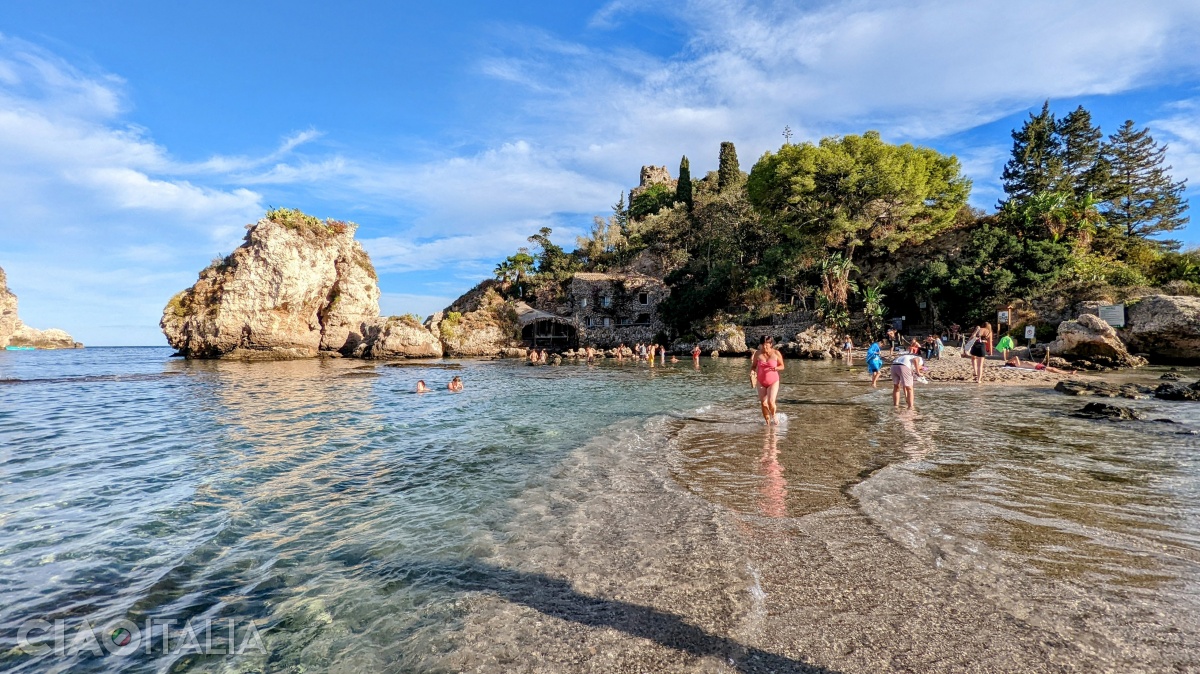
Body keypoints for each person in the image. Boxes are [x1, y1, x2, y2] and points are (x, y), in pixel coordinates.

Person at [750, 336, 785, 425]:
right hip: (761, 381)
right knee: (764, 403)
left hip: (773, 381)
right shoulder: (757, 354)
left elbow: (782, 366)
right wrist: (752, 372)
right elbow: (753, 366)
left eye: (766, 345)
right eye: (762, 345)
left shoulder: (776, 353)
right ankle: (768, 424)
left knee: (771, 402)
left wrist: (776, 368)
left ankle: (773, 415)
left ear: (771, 344)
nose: (764, 347)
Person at [1005, 357, 1076, 375]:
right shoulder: (1018, 365)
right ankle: (1069, 373)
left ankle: (1068, 372)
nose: (1013, 361)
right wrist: (1008, 361)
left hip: (1038, 365)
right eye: (1012, 362)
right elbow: (1016, 357)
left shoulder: (1019, 363)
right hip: (1037, 367)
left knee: (1053, 368)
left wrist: (1010, 361)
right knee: (1053, 369)